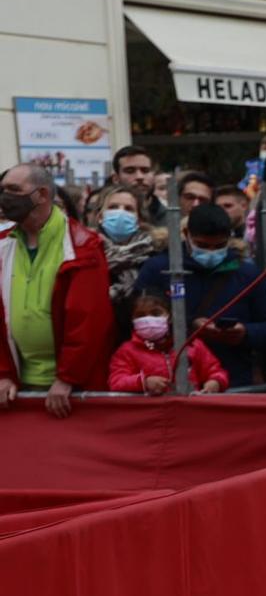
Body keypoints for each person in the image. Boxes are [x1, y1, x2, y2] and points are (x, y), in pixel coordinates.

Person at [0, 162, 114, 416]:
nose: (5, 197)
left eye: (13, 189)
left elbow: (89, 318)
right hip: (16, 385)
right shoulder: (3, 244)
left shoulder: (83, 246)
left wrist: (67, 378)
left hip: (69, 390)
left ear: (41, 195)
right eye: (2, 190)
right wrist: (3, 373)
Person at [132, 203, 266, 389]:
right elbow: (137, 320)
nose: (211, 252)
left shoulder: (246, 274)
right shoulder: (158, 269)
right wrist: (188, 326)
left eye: (219, 246)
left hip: (234, 381)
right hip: (172, 382)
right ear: (186, 235)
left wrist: (245, 333)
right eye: (202, 245)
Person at [107, 291, 227, 395]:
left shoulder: (193, 345)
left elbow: (215, 371)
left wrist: (215, 382)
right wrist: (143, 382)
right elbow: (116, 381)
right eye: (140, 315)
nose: (148, 319)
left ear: (169, 316)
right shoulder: (127, 350)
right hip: (150, 415)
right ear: (132, 320)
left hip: (191, 411)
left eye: (155, 313)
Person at [92, 184, 164, 337]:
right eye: (113, 207)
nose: (120, 212)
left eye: (129, 209)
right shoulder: (87, 254)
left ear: (139, 220)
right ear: (100, 217)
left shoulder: (154, 255)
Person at [111, 146, 165, 225]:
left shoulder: (171, 219)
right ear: (116, 179)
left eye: (145, 171)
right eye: (130, 171)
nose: (139, 177)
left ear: (153, 175)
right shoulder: (105, 219)